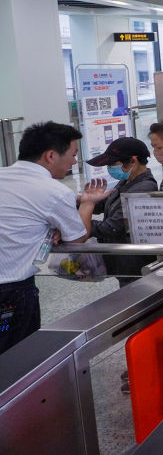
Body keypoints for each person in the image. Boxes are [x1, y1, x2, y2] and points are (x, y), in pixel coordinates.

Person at [0, 122, 88, 353]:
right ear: (51, 155)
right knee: (16, 357)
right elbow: (76, 238)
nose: (74, 162)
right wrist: (87, 204)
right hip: (11, 293)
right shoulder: (55, 192)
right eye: (73, 154)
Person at [78, 138, 158, 284]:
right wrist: (80, 201)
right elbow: (106, 204)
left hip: (135, 266)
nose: (109, 168)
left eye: (113, 164)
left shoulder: (143, 188)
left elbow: (112, 227)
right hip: (122, 262)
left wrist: (81, 223)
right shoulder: (128, 181)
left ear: (133, 161)